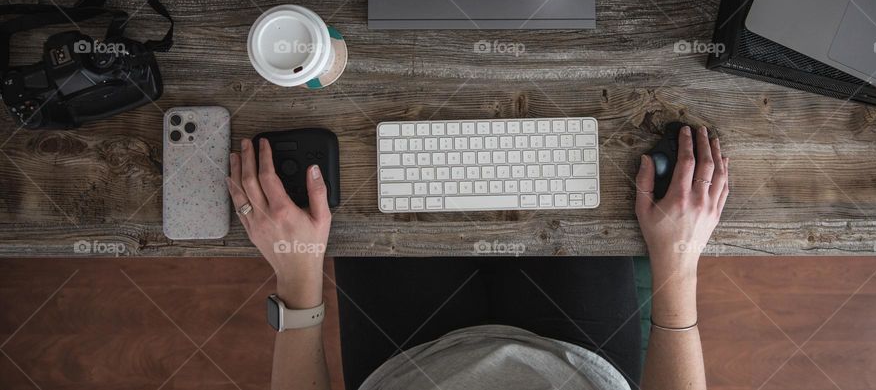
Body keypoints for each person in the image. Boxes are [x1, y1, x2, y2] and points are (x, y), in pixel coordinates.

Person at [227, 125, 730, 390]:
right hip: (578, 356)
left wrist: (297, 272)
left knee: (376, 173)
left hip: (404, 356)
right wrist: (678, 259)